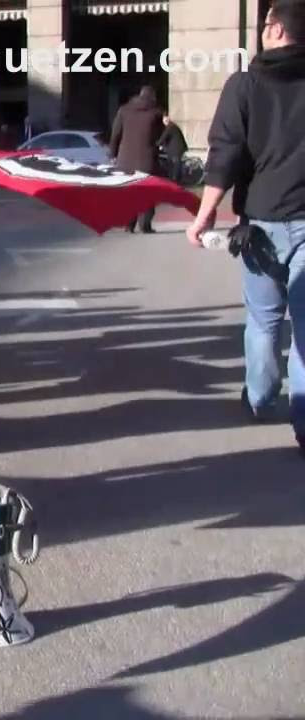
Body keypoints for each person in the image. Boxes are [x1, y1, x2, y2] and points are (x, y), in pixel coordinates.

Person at [188, 0, 305, 459]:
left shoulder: (244, 85)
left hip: (260, 225)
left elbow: (226, 154)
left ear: (275, 29)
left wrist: (204, 215)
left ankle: (260, 399)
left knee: (264, 320)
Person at [109, 85, 165, 233]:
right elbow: (160, 135)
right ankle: (145, 224)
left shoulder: (123, 110)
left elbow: (116, 134)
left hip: (125, 159)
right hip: (146, 159)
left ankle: (129, 224)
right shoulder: (156, 113)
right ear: (152, 97)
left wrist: (112, 154)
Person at [158, 114, 189, 185]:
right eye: (164, 120)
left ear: (168, 119)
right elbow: (168, 139)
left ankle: (175, 181)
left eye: (166, 120)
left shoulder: (170, 127)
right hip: (176, 148)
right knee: (173, 164)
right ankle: (174, 179)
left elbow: (164, 137)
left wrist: (157, 144)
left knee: (175, 165)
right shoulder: (172, 126)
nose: (165, 122)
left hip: (177, 149)